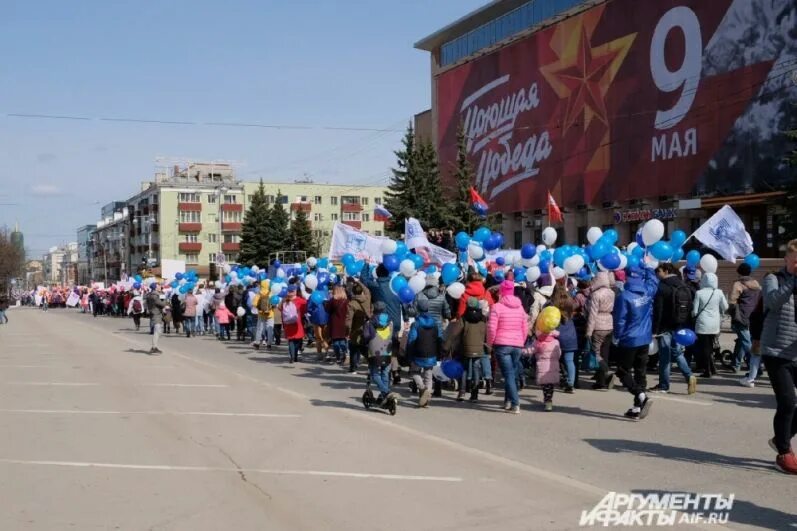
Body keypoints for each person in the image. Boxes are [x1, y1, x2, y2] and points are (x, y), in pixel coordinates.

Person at [759, 239, 797, 474]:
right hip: (775, 351)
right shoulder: (774, 278)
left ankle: (781, 437)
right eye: (795, 261)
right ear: (787, 259)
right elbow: (773, 302)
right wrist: (793, 279)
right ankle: (784, 452)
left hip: (795, 352)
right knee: (787, 402)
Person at [613, 266, 659, 420]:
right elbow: (654, 282)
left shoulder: (624, 297)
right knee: (640, 371)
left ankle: (640, 395)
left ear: (627, 277)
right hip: (644, 337)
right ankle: (637, 407)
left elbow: (620, 320)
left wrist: (617, 336)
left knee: (622, 371)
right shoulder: (647, 291)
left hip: (629, 339)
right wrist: (649, 269)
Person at [651, 263, 697, 395]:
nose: (657, 274)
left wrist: (655, 330)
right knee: (677, 352)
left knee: (665, 357)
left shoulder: (663, 286)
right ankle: (689, 376)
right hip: (680, 325)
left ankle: (663, 385)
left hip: (665, 326)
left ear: (666, 271)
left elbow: (658, 310)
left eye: (658, 271)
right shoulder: (683, 285)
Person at [487, 280, 529, 414]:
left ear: (501, 292)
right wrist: (521, 341)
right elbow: (525, 327)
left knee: (509, 374)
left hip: (502, 344)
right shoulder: (520, 307)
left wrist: (490, 343)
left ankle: (515, 403)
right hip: (517, 344)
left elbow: (491, 328)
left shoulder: (497, 307)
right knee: (512, 373)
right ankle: (508, 401)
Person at [445, 296, 487, 402]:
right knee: (476, 369)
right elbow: (486, 334)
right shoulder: (483, 318)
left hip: (465, 348)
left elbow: (454, 333)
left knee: (463, 369)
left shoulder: (463, 318)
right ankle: (474, 394)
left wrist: (447, 346)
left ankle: (462, 392)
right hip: (479, 348)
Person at [406, 298, 443, 408]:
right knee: (428, 375)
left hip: (419, 352)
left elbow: (411, 340)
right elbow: (439, 338)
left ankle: (422, 388)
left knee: (414, 372)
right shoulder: (435, 323)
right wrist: (439, 352)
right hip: (432, 353)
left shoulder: (416, 324)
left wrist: (409, 353)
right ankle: (427, 398)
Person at [693, 272, 729, 378]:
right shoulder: (719, 292)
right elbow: (725, 307)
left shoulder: (699, 293)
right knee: (710, 346)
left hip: (702, 323)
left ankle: (707, 369)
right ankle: (712, 368)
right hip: (715, 324)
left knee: (704, 347)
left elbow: (695, 311)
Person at [729, 263, 762, 375]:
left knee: (746, 342)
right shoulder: (756, 283)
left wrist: (731, 313)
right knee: (741, 340)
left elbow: (732, 302)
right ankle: (736, 364)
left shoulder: (738, 284)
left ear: (739, 272)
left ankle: (757, 367)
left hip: (741, 316)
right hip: (753, 316)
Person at [585, 271, 615, 390]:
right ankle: (601, 378)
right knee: (605, 353)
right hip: (609, 323)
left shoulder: (596, 294)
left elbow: (592, 314)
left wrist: (588, 331)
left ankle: (605, 374)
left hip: (598, 325)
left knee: (596, 353)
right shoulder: (611, 293)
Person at [363, 302, 394, 406]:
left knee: (374, 374)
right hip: (387, 351)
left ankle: (386, 392)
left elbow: (366, 337)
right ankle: (384, 396)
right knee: (385, 373)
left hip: (374, 352)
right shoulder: (390, 322)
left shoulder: (369, 322)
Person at [552, 289, 578, 394]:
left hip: (558, 337)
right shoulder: (570, 310)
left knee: (555, 360)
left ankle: (556, 379)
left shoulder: (555, 310)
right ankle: (571, 383)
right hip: (571, 337)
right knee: (569, 361)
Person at [529, 328, 561, 411]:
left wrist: (522, 351)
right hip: (552, 366)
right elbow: (559, 354)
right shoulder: (556, 342)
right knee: (550, 386)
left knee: (545, 386)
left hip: (542, 367)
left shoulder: (538, 342)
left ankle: (547, 400)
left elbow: (531, 350)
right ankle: (548, 400)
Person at [346, 280, 371, 374]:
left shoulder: (352, 304)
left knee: (353, 347)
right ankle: (371, 363)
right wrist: (359, 282)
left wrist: (347, 331)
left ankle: (353, 367)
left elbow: (349, 320)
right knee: (365, 346)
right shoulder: (367, 298)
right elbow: (367, 290)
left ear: (353, 292)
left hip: (356, 328)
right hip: (367, 326)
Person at [280, 285, 307, 363]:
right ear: (295, 291)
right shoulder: (300, 300)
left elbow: (281, 310)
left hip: (287, 323)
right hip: (297, 323)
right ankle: (295, 356)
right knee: (297, 340)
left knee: (291, 340)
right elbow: (305, 309)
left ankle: (292, 356)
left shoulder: (284, 300)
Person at [326, 285, 350, 366]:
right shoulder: (346, 301)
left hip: (335, 324)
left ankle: (339, 357)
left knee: (336, 342)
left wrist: (331, 299)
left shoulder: (333, 300)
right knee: (342, 341)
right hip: (343, 324)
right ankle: (344, 354)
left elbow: (327, 309)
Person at [307, 289, 331, 361]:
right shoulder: (327, 294)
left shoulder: (313, 295)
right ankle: (327, 353)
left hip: (316, 318)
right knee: (325, 337)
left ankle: (319, 354)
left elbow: (309, 308)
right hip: (327, 317)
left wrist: (312, 315)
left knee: (318, 337)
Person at [252, 280, 275, 349]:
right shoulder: (271, 293)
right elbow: (274, 303)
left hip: (261, 313)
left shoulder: (259, 293)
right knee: (270, 328)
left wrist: (259, 308)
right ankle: (269, 344)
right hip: (270, 313)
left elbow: (254, 303)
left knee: (259, 328)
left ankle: (257, 343)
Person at [145, 285, 166, 355]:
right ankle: (154, 347)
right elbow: (162, 304)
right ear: (155, 288)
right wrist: (164, 298)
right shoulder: (155, 296)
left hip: (153, 313)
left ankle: (154, 347)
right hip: (156, 313)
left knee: (158, 331)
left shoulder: (149, 295)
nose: (160, 287)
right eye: (159, 286)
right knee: (157, 331)